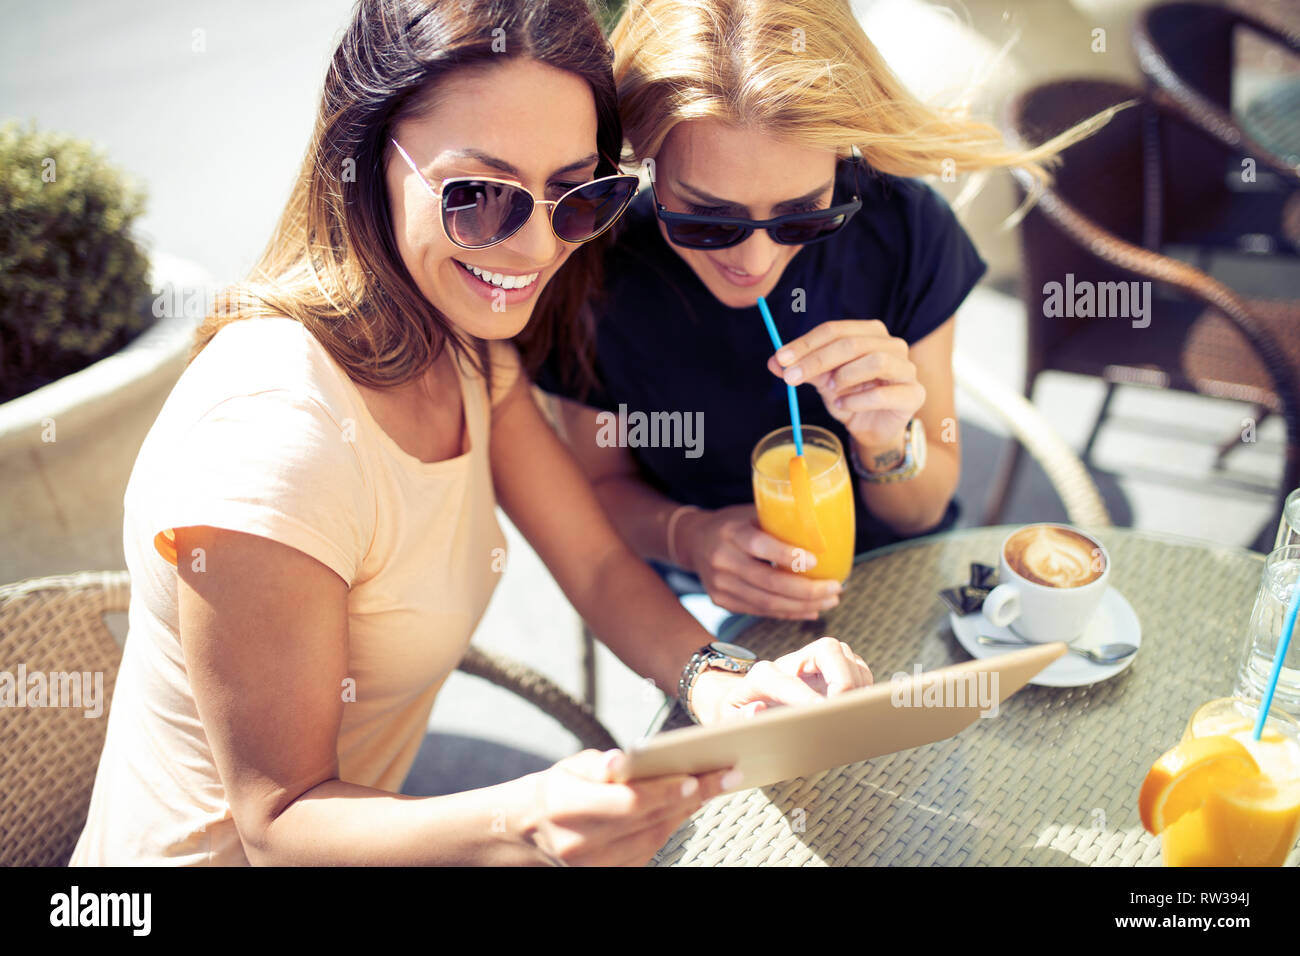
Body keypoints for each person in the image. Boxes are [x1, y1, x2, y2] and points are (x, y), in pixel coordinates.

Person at [70, 0, 871, 868]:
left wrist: (727, 684)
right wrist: (521, 821)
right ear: (367, 154)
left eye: (575, 195)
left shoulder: (463, 342)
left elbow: (599, 566)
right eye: (480, 196)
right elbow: (277, 823)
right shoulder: (274, 437)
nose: (532, 248)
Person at [528, 0, 1084, 625]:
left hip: (896, 574)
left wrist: (884, 443)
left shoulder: (904, 231)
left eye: (802, 215)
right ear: (643, 159)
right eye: (707, 218)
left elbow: (922, 511)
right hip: (702, 593)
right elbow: (600, 488)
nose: (755, 259)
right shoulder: (592, 269)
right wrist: (693, 538)